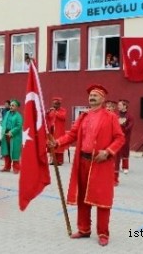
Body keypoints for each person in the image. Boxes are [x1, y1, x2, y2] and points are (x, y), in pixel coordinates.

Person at [50, 84, 124, 247]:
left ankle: (103, 233)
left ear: (103, 99)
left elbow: (120, 138)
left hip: (100, 163)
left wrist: (108, 151)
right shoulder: (83, 116)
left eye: (95, 95)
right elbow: (72, 134)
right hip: (82, 162)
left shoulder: (110, 117)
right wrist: (57, 142)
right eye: (90, 95)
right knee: (83, 197)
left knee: (102, 199)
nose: (92, 97)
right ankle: (84, 229)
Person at [0, 100, 23, 174]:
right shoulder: (7, 113)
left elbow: (19, 126)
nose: (11, 107)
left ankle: (16, 168)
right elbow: (3, 122)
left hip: (14, 136)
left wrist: (12, 132)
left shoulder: (18, 116)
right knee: (6, 151)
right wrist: (2, 129)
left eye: (13, 105)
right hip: (6, 135)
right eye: (11, 105)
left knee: (14, 152)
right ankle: (7, 167)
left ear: (16, 107)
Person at [115, 100, 134, 182]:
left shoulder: (129, 116)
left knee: (125, 150)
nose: (118, 106)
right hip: (116, 136)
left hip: (125, 136)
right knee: (117, 151)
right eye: (118, 105)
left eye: (120, 105)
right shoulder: (116, 115)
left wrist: (123, 128)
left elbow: (130, 125)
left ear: (125, 106)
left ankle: (125, 167)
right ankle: (116, 167)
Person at [46, 97, 67, 166]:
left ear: (59, 104)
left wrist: (55, 111)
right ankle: (53, 160)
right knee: (52, 145)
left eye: (56, 104)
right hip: (52, 131)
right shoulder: (51, 111)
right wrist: (47, 113)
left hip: (59, 131)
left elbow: (63, 117)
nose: (55, 105)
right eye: (54, 104)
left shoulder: (63, 110)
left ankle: (59, 161)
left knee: (59, 145)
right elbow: (48, 118)